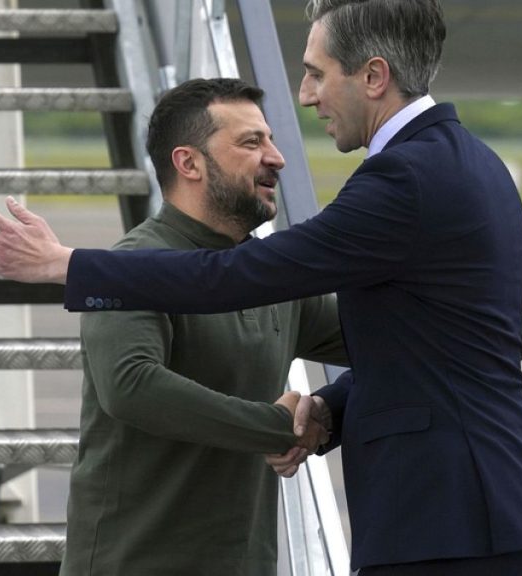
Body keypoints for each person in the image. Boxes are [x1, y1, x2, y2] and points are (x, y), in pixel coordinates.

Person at [0, 1, 522, 573]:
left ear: (373, 76)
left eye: (317, 74)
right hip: (510, 513)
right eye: (252, 140)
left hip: (443, 519)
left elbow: (243, 277)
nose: (305, 98)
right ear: (190, 162)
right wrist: (515, 337)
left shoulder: (400, 178)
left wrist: (68, 265)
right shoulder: (479, 163)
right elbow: (408, 338)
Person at [59, 78, 344, 576]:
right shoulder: (134, 265)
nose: (276, 158)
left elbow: (387, 333)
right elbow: (130, 386)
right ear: (188, 162)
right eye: (252, 142)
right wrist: (276, 427)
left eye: (271, 140)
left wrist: (516, 336)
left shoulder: (271, 276)